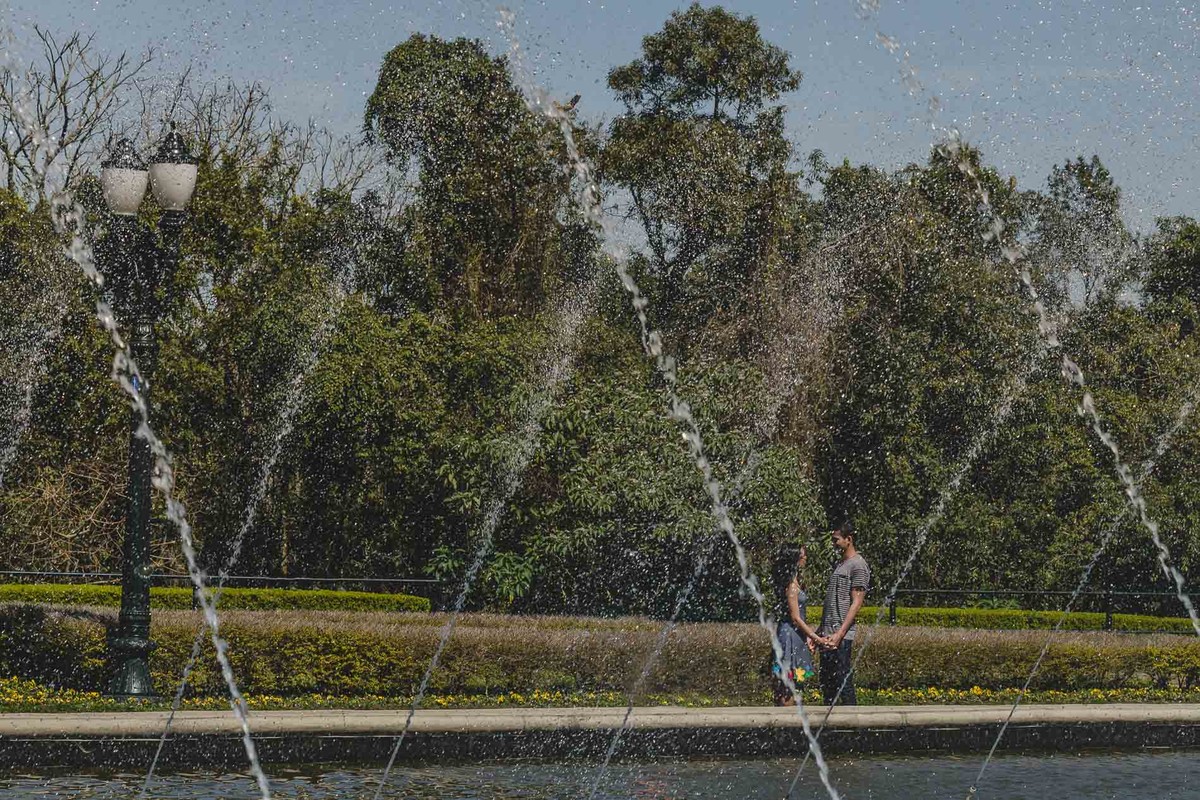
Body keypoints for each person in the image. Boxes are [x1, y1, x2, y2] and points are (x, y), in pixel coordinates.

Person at [816, 521, 870, 706]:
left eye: (836, 540)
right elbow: (831, 603)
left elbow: (856, 603)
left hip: (841, 635)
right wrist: (818, 631)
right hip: (827, 635)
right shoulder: (841, 564)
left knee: (843, 681)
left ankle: (853, 729)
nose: (834, 543)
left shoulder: (858, 565)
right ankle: (829, 730)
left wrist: (839, 634)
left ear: (849, 539)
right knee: (826, 683)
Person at [770, 543, 820, 706]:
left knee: (793, 684)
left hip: (795, 635)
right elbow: (796, 618)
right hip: (790, 635)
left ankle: (789, 721)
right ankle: (785, 722)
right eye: (802, 555)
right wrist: (813, 636)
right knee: (787, 685)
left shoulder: (794, 582)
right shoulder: (791, 587)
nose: (805, 558)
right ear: (795, 559)